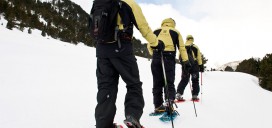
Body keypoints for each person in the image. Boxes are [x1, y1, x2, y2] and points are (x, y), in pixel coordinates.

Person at [92, 0, 163, 128]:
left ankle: (103, 124)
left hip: (102, 51)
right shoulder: (130, 3)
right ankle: (132, 117)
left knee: (106, 87)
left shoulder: (99, 2)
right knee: (133, 84)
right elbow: (144, 28)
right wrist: (156, 43)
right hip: (122, 50)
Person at [147, 18, 190, 114]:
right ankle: (169, 104)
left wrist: (154, 54)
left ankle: (158, 106)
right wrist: (185, 61)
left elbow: (149, 45)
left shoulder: (156, 31)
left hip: (156, 57)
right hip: (169, 57)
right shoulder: (175, 31)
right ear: (173, 24)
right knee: (169, 82)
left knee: (157, 83)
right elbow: (182, 48)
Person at [176, 35, 204, 101]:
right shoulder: (195, 47)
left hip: (185, 65)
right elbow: (199, 57)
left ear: (187, 39)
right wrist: (201, 66)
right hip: (194, 66)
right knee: (195, 80)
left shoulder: (183, 46)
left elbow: (179, 56)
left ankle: (179, 94)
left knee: (184, 80)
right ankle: (194, 96)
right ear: (192, 39)